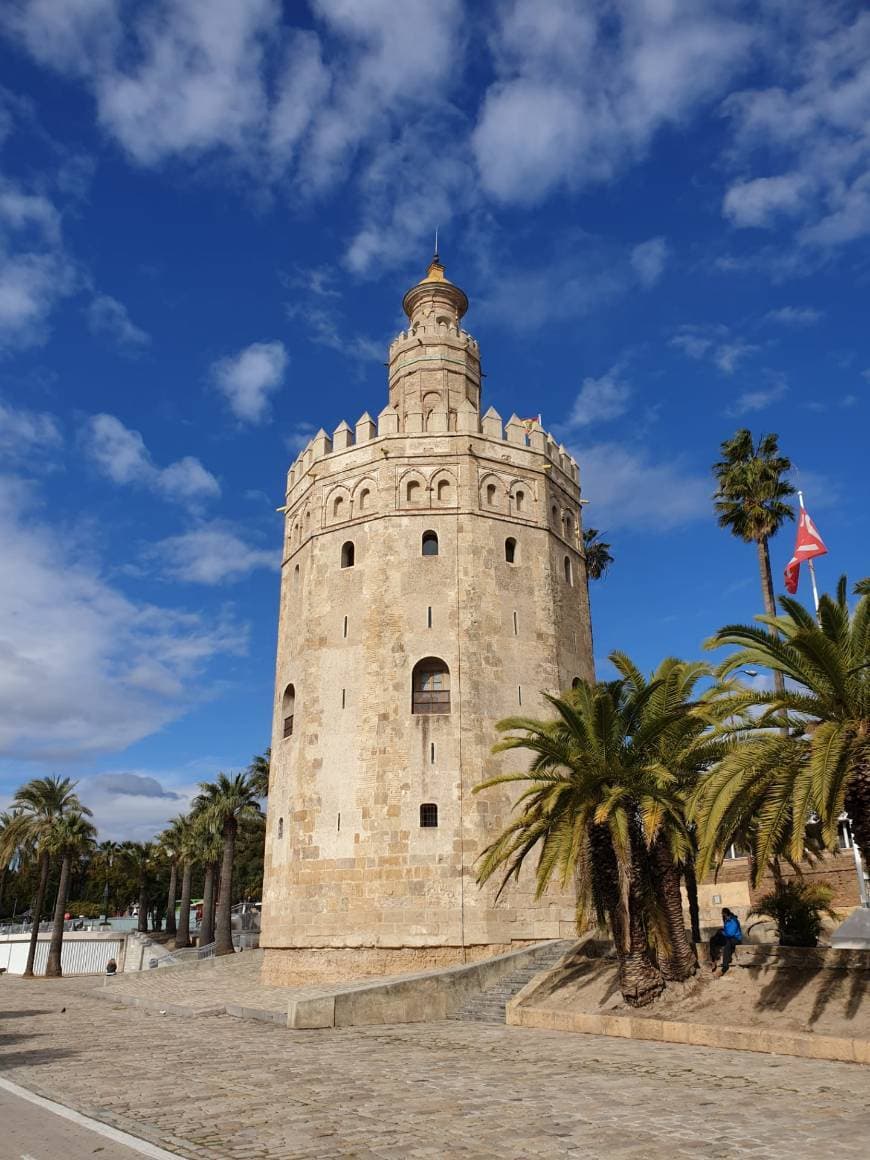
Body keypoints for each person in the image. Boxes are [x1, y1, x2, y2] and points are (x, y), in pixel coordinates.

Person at [710, 907, 742, 975]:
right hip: (728, 937)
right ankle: (713, 960)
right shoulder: (727, 921)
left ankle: (725, 967)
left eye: (724, 915)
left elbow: (731, 933)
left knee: (727, 943)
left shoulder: (734, 921)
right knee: (713, 940)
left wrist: (722, 932)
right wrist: (721, 932)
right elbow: (726, 931)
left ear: (727, 914)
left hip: (736, 939)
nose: (723, 917)